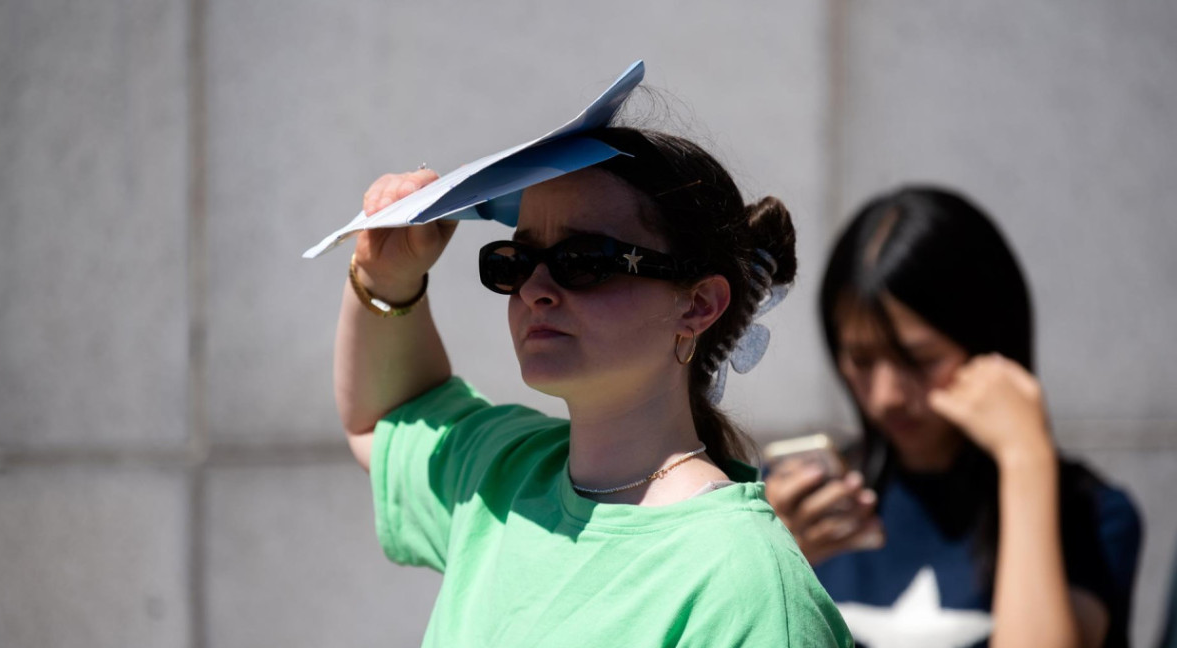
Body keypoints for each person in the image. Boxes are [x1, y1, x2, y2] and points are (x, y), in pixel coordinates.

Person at [335, 126, 852, 646]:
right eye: (513, 262)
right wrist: (386, 275)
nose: (536, 289)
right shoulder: (503, 471)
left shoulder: (746, 587)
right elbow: (386, 418)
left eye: (582, 260)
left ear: (698, 306)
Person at [766, 186, 1141, 647]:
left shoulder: (1091, 515)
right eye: (861, 360)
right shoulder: (805, 506)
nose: (887, 397)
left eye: (919, 360)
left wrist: (1025, 456)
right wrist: (764, 562)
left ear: (989, 344)